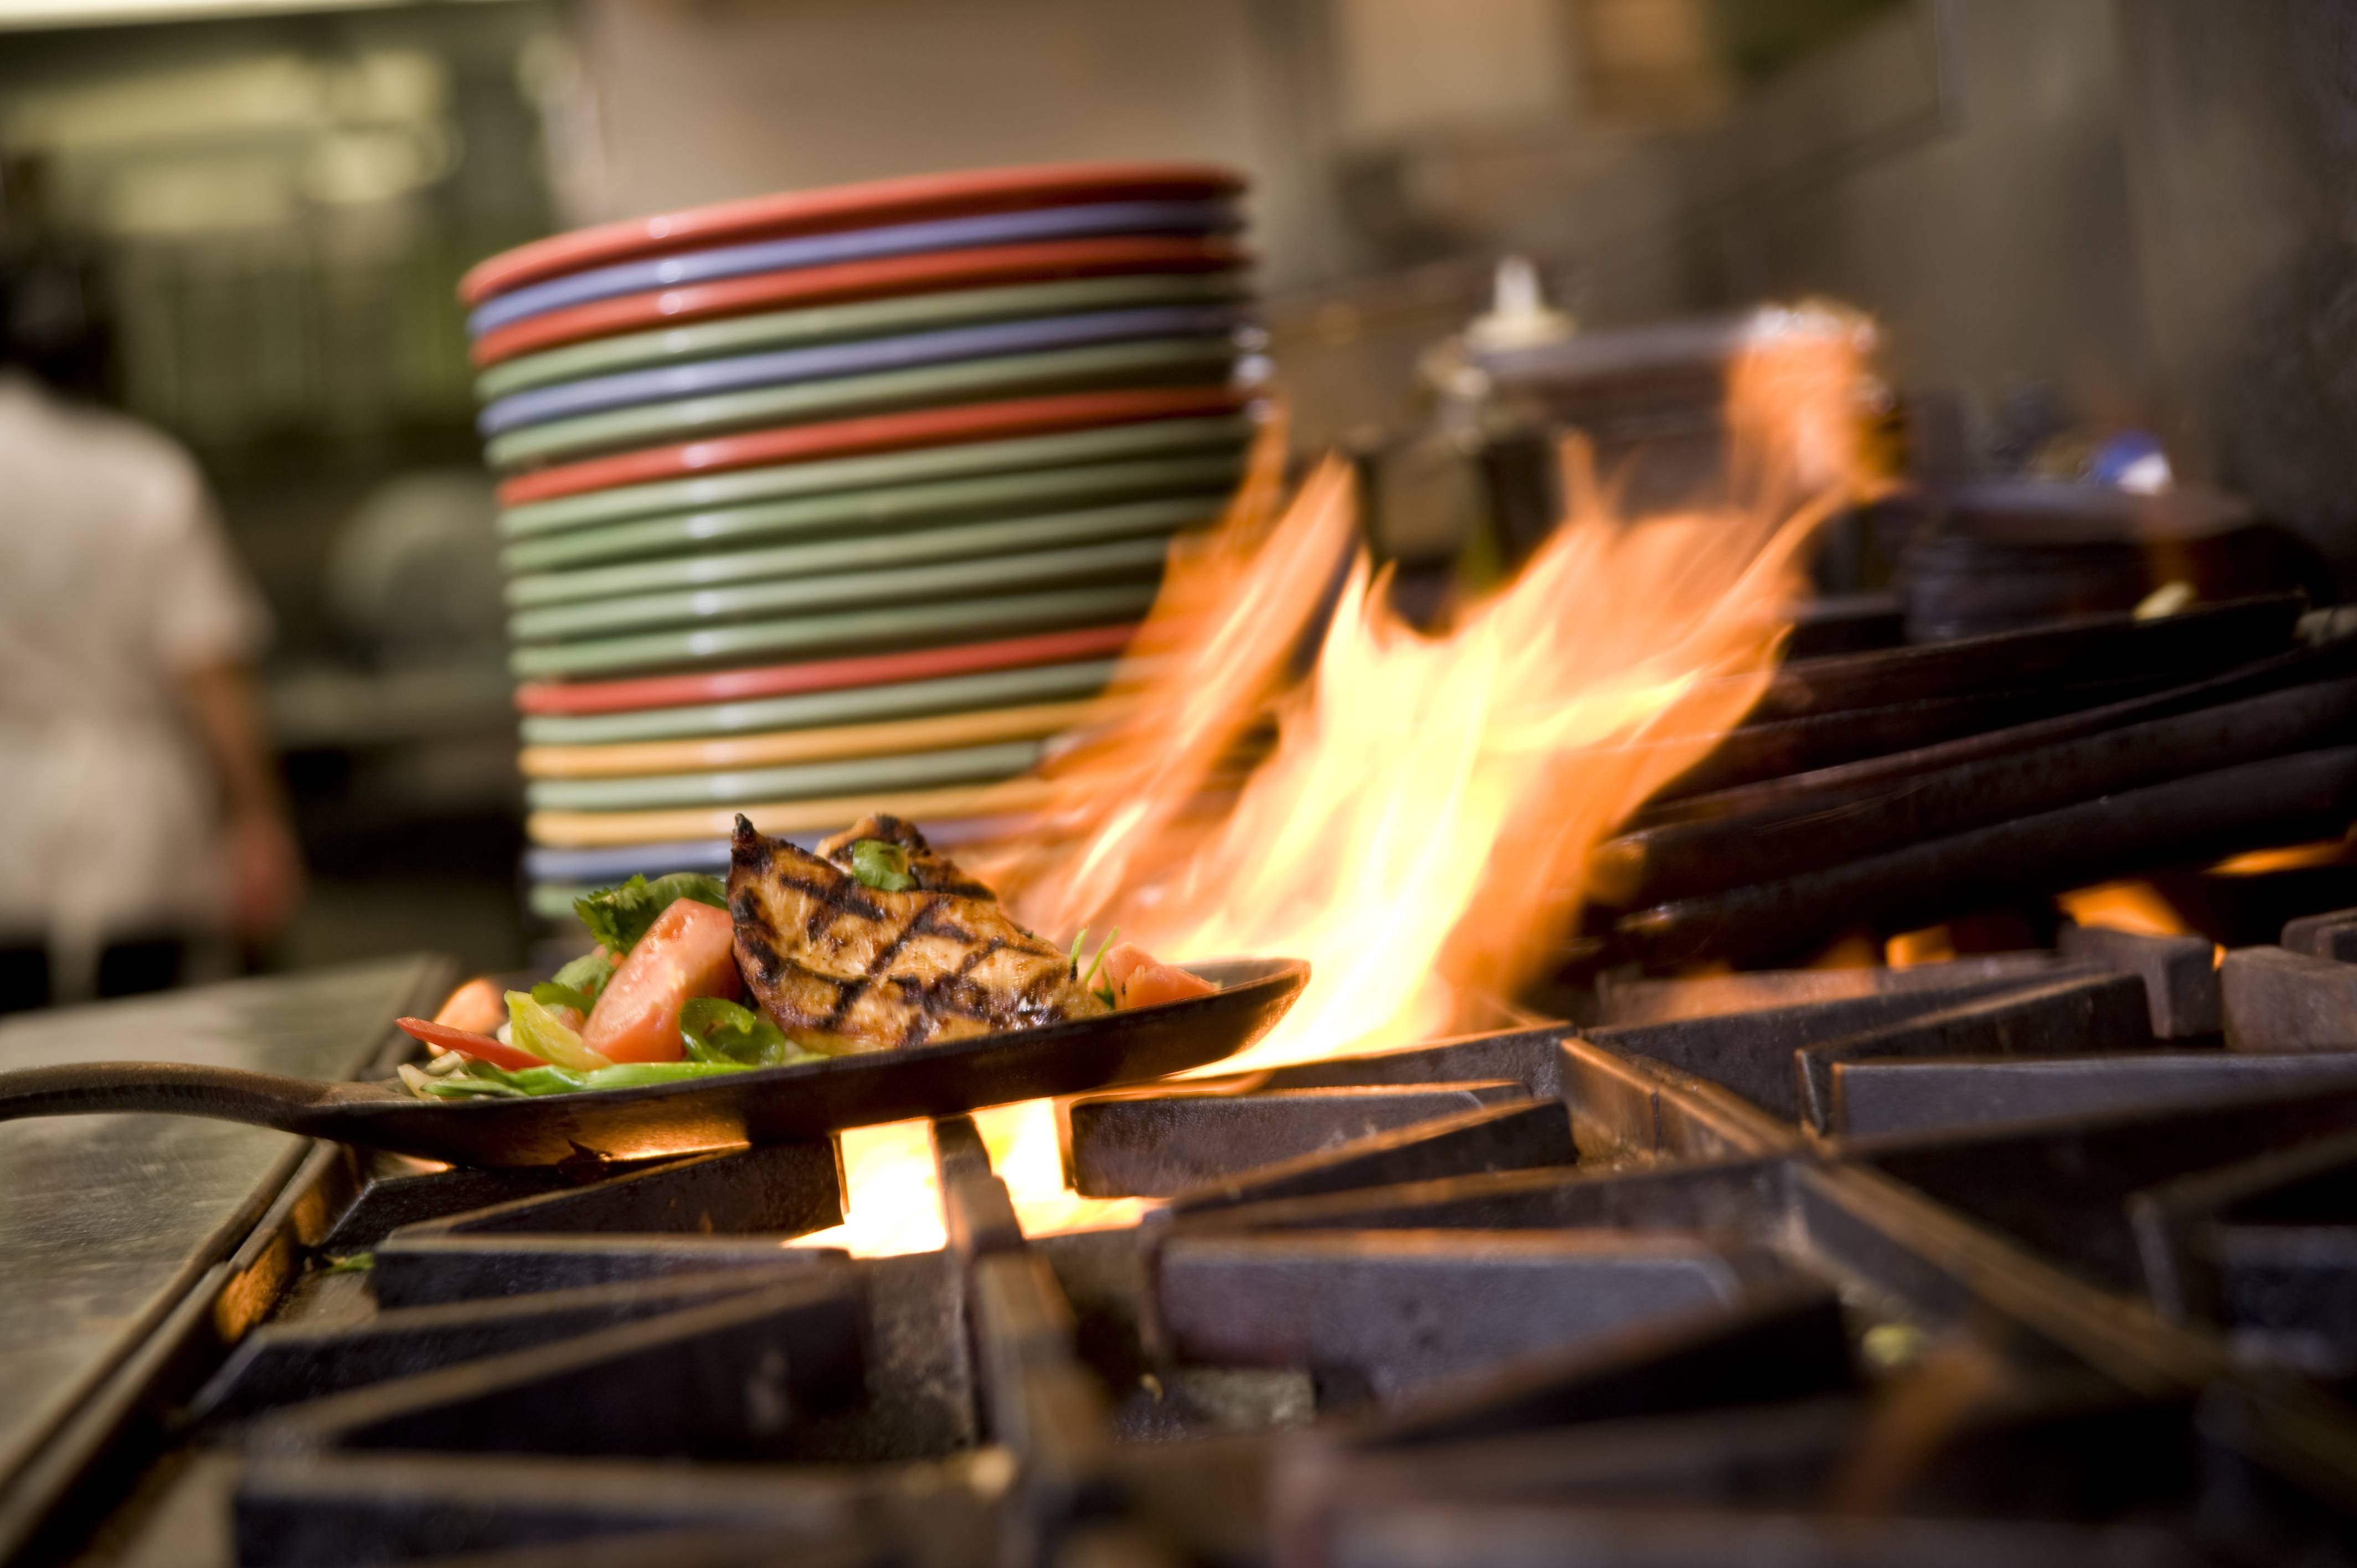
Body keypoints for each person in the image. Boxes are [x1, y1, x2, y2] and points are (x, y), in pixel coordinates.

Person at [0, 200, 303, 1013]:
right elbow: (209, 668)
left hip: (10, 828)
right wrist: (259, 818)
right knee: (141, 1066)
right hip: (135, 838)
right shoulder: (148, 474)